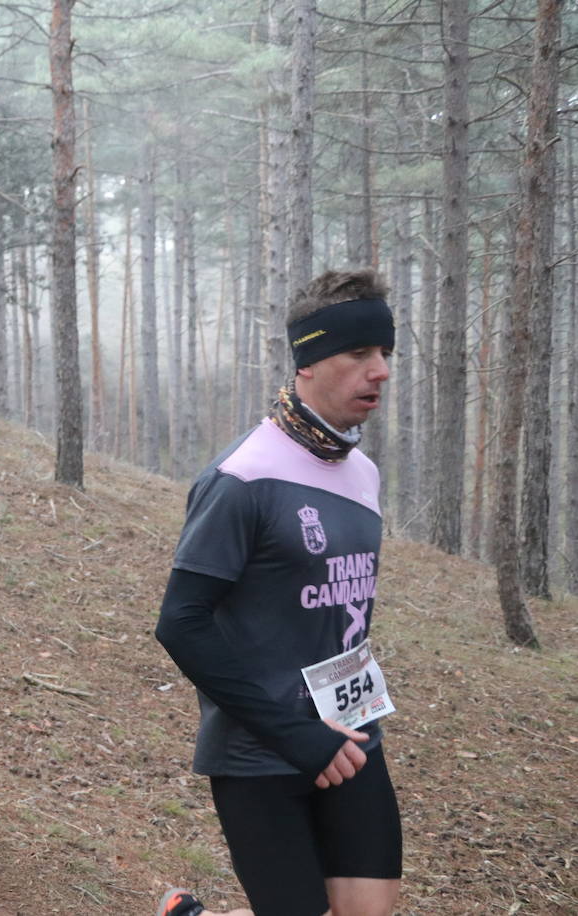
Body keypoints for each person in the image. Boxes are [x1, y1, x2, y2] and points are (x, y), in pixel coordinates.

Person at [153, 269, 400, 916]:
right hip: (261, 749)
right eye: (359, 354)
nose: (379, 371)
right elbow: (181, 623)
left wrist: (344, 723)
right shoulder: (242, 477)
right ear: (310, 361)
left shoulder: (364, 474)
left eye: (385, 354)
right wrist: (294, 733)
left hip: (352, 730)